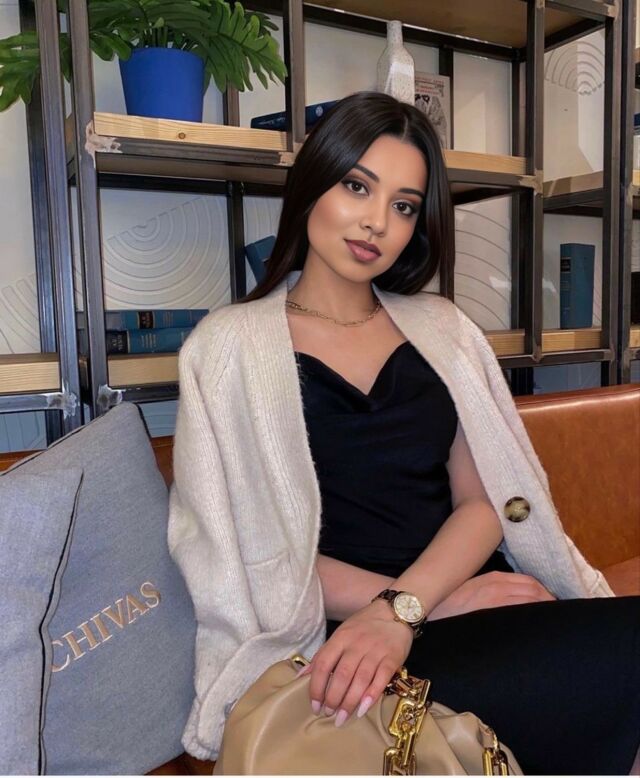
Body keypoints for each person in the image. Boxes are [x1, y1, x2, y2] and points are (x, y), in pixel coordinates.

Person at [168, 91, 640, 775]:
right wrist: (409, 613)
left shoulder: (444, 329)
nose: (376, 223)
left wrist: (414, 605)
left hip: (469, 602)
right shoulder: (226, 348)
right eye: (357, 186)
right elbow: (251, 550)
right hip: (342, 637)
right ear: (314, 183)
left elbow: (484, 502)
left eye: (404, 205)